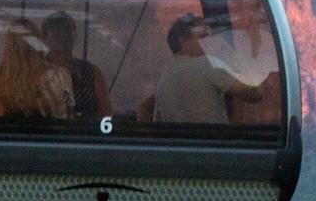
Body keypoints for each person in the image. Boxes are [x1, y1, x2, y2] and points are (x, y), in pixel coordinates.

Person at [137, 14, 275, 124]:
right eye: (203, 37)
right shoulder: (207, 64)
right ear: (183, 40)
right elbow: (255, 93)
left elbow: (145, 112)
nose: (209, 42)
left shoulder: (164, 82)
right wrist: (237, 57)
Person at [0, 20, 74, 118]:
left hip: (12, 128)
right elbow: (68, 117)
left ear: (9, 45)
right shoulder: (60, 74)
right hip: (51, 128)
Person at [38, 11, 113, 119]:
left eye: (68, 31)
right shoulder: (37, 71)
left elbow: (105, 111)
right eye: (56, 32)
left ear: (75, 35)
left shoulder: (91, 72)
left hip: (86, 129)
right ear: (45, 38)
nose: (63, 36)